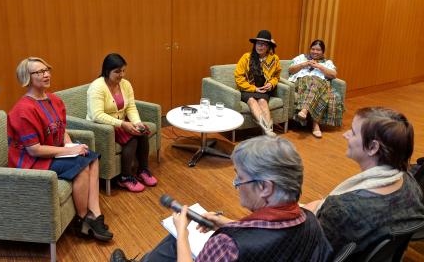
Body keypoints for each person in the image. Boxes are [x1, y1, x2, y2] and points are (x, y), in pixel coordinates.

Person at [110, 136, 332, 262]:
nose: (235, 183)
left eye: (240, 176)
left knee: (174, 240)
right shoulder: (310, 220)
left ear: (264, 187)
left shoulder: (228, 246)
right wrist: (229, 224)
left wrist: (183, 235)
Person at [8, 57, 113, 241]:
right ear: (27, 77)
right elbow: (34, 150)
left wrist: (72, 146)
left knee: (91, 157)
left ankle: (94, 214)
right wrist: (70, 152)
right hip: (33, 162)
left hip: (52, 153)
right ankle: (81, 220)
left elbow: (61, 130)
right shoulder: (22, 110)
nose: (46, 74)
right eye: (39, 72)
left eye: (47, 69)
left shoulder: (54, 100)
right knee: (81, 165)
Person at [304, 107, 424, 255]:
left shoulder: (341, 209)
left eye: (353, 132)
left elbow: (312, 251)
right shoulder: (411, 184)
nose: (345, 135)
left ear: (373, 147)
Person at [87, 53, 157, 193]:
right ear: (107, 71)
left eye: (123, 70)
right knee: (131, 139)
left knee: (142, 132)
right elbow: (97, 114)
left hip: (119, 121)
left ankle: (143, 170)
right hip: (101, 125)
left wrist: (137, 122)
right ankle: (124, 177)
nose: (122, 75)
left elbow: (130, 107)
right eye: (117, 71)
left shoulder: (125, 84)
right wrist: (123, 124)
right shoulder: (97, 87)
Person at [287, 39, 343, 138]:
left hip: (320, 84)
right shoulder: (302, 58)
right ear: (310, 49)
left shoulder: (327, 62)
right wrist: (303, 64)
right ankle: (315, 125)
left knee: (317, 83)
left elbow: (333, 74)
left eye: (318, 50)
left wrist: (319, 66)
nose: (315, 52)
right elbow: (290, 70)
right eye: (313, 49)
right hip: (302, 82)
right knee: (316, 84)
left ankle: (305, 110)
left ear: (323, 52)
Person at [234, 30, 281, 137]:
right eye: (258, 43)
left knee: (263, 101)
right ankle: (267, 131)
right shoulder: (246, 57)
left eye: (264, 44)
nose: (260, 46)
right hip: (247, 88)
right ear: (255, 44)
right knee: (251, 101)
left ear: (269, 47)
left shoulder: (274, 59)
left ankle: (268, 130)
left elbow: (276, 76)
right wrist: (254, 89)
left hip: (263, 89)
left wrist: (271, 84)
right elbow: (238, 77)